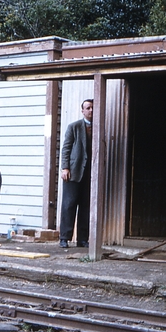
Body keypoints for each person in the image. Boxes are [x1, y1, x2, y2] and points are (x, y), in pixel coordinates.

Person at [59, 99, 93, 248]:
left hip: (89, 173)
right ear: (82, 111)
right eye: (88, 108)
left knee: (85, 206)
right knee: (69, 204)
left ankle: (82, 239)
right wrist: (65, 168)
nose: (91, 110)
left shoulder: (98, 127)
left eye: (93, 108)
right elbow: (66, 148)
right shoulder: (74, 127)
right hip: (74, 171)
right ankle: (64, 238)